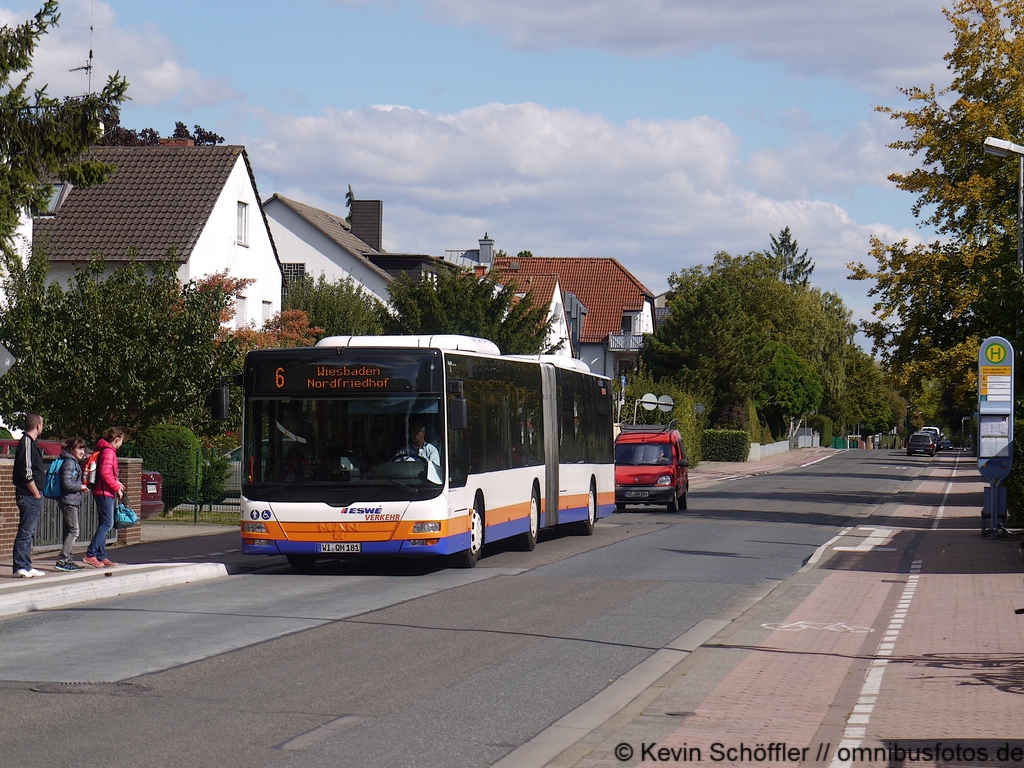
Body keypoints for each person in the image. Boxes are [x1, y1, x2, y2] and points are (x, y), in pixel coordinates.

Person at [82, 427, 125, 569]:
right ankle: (91, 554)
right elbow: (105, 473)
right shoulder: (109, 452)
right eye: (121, 442)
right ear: (116, 439)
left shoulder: (104, 450)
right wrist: (116, 487)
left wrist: (116, 483)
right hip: (104, 492)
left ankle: (100, 555)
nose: (121, 445)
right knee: (107, 523)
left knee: (104, 522)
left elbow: (106, 473)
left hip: (103, 491)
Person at [11, 413, 46, 578]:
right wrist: (35, 492)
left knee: (29, 531)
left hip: (32, 494)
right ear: (38, 425)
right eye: (42, 424)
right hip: (28, 494)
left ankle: (26, 564)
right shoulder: (26, 442)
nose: (43, 427)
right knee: (25, 531)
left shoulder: (32, 443)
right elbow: (26, 471)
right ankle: (20, 566)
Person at [54, 438, 88, 572]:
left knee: (68, 531)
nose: (82, 451)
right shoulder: (69, 463)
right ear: (71, 450)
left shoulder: (72, 462)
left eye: (83, 448)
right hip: (69, 500)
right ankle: (63, 560)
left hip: (70, 500)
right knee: (74, 531)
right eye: (79, 448)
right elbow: (67, 483)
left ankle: (68, 559)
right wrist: (80, 486)